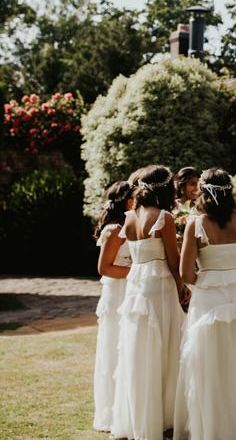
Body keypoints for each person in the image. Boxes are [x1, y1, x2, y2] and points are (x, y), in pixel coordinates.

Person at [174, 168, 236, 440]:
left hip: (208, 301)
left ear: (203, 191)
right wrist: (231, 272)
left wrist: (207, 277)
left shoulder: (197, 224)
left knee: (209, 366)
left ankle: (212, 430)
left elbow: (186, 273)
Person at [111, 165, 187, 440]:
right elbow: (173, 259)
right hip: (159, 286)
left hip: (136, 284)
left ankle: (139, 417)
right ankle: (166, 417)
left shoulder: (129, 216)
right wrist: (183, 288)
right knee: (166, 349)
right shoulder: (164, 217)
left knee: (139, 349)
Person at [92, 181, 133, 432]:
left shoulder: (128, 226)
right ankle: (112, 410)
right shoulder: (115, 229)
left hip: (127, 289)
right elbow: (104, 268)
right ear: (128, 202)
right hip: (118, 292)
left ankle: (127, 406)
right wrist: (137, 270)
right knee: (114, 347)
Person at [173, 167, 201, 250]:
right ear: (182, 186)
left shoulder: (201, 207)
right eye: (192, 184)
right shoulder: (172, 206)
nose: (197, 188)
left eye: (198, 184)